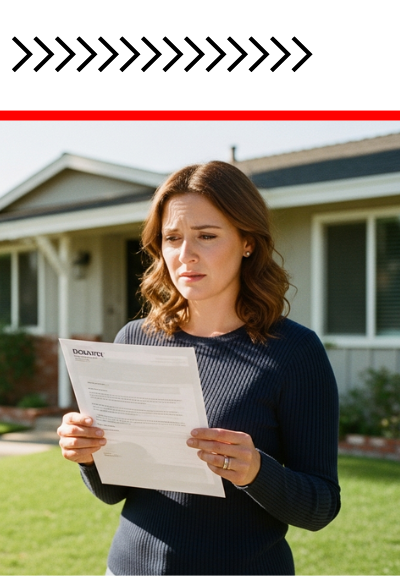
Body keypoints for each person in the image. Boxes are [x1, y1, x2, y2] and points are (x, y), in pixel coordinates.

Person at [57, 161, 341, 575]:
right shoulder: (135, 339)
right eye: (172, 238)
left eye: (206, 236)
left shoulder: (295, 352)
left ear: (247, 241)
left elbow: (320, 507)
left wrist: (256, 471)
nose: (185, 255)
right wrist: (89, 455)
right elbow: (114, 491)